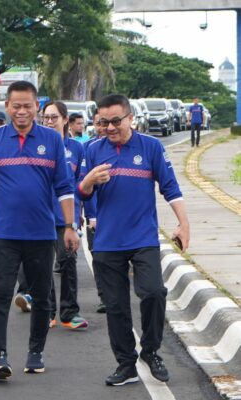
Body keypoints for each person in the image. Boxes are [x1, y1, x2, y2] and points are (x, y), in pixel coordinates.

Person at [78, 94, 190, 386]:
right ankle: (126, 364)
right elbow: (81, 192)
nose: (110, 127)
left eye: (116, 121)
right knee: (115, 307)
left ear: (130, 118)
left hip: (143, 237)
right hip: (106, 241)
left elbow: (171, 187)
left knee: (153, 292)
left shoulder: (150, 147)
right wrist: (89, 181)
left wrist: (184, 223)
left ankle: (151, 351)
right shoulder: (92, 150)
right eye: (103, 122)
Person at [0, 81, 79, 380]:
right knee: (0, 295)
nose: (21, 111)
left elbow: (64, 187)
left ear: (37, 108)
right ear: (7, 106)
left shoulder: (52, 140)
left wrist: (69, 226)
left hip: (41, 234)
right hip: (2, 234)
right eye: (15, 105)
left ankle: (35, 352)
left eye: (27, 105)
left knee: (42, 297)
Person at [41, 101, 88, 330]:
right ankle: (47, 311)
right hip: (40, 215)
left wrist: (80, 212)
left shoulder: (77, 149)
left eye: (54, 118)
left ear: (65, 120)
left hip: (65, 218)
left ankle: (69, 312)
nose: (49, 122)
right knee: (42, 265)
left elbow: (81, 184)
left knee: (68, 261)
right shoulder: (36, 146)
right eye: (46, 118)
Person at [82, 110, 107, 314]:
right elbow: (84, 187)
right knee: (97, 257)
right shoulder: (88, 149)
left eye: (105, 123)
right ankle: (104, 296)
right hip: (95, 217)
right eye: (99, 123)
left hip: (117, 217)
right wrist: (91, 215)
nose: (103, 128)